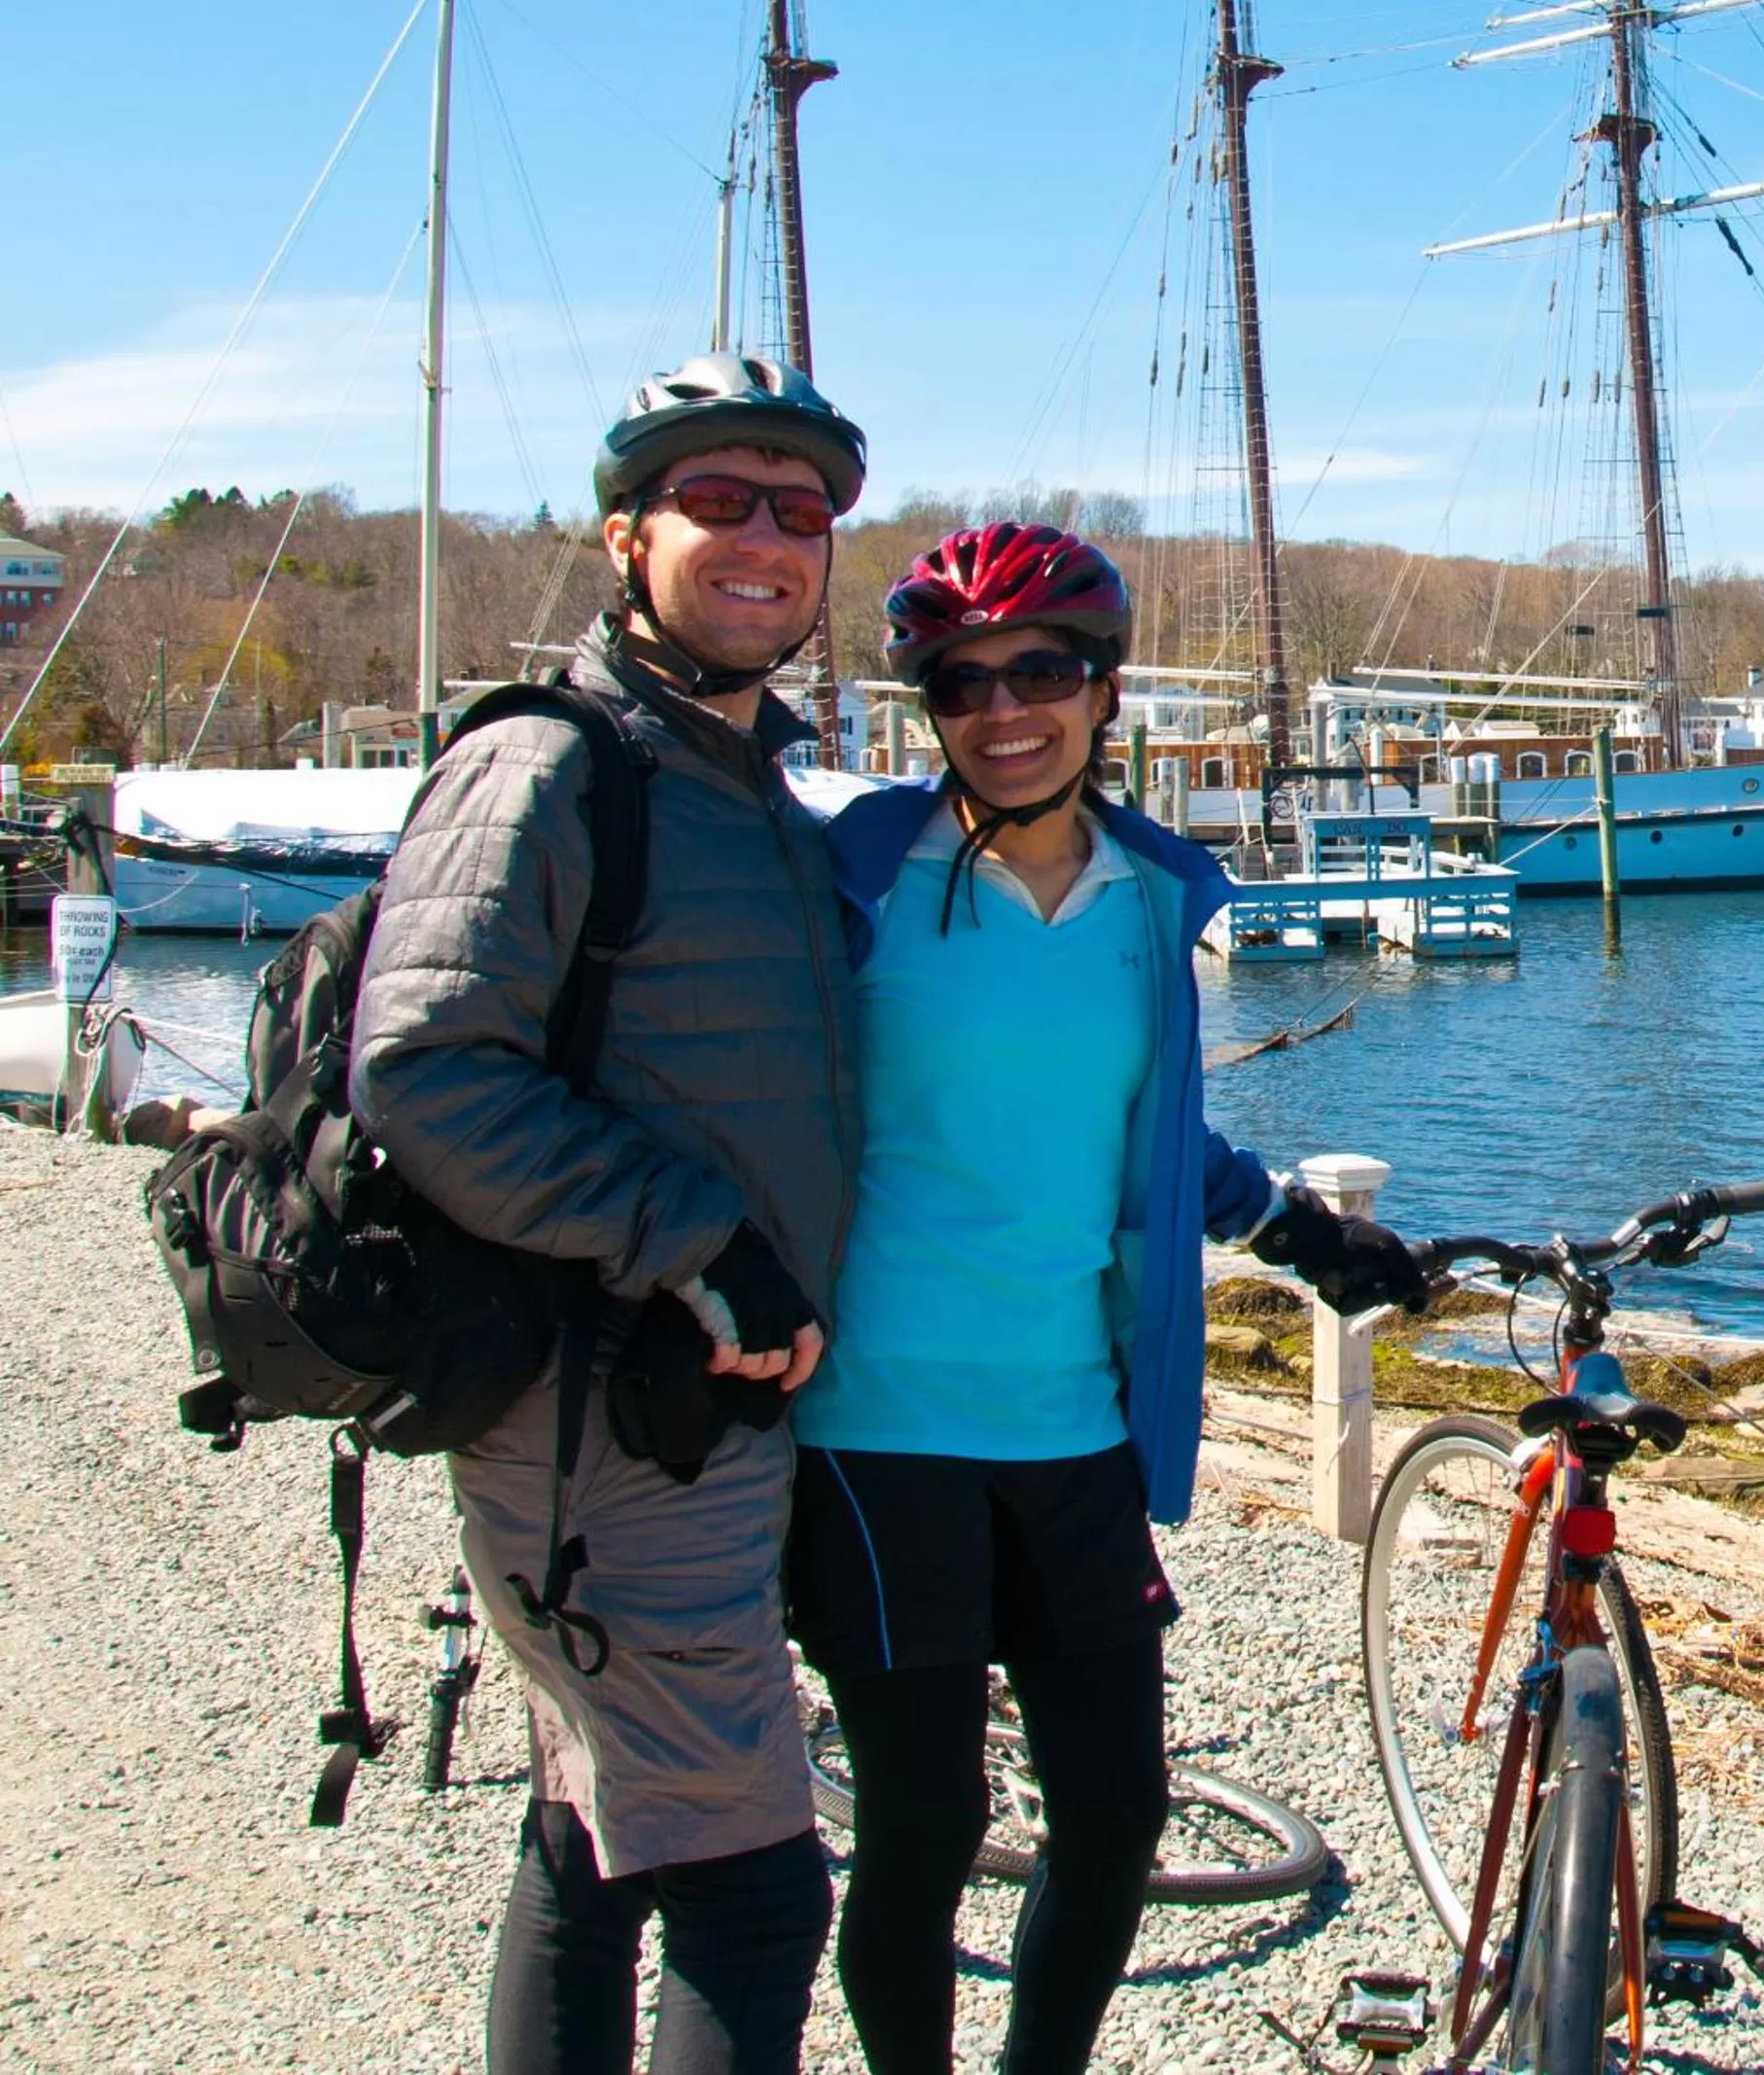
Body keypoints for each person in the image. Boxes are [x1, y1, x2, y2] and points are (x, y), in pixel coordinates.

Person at [784, 519, 1427, 2075]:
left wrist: (1285, 1222)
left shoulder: (1152, 897)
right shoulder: (855, 876)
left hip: (1073, 1417)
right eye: (960, 683)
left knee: (1119, 1810)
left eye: (1042, 670)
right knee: (925, 1822)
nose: (1004, 708)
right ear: (922, 707)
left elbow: (1134, 1133)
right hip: (875, 1426)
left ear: (1106, 687)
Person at [351, 353, 871, 2075]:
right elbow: (425, 1069)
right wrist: (701, 1240)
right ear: (621, 533)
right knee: (750, 1886)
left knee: (593, 1838)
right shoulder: (555, 766)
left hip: (690, 1405)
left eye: (798, 511)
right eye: (717, 498)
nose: (765, 538)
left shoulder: (745, 791)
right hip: (604, 1411)